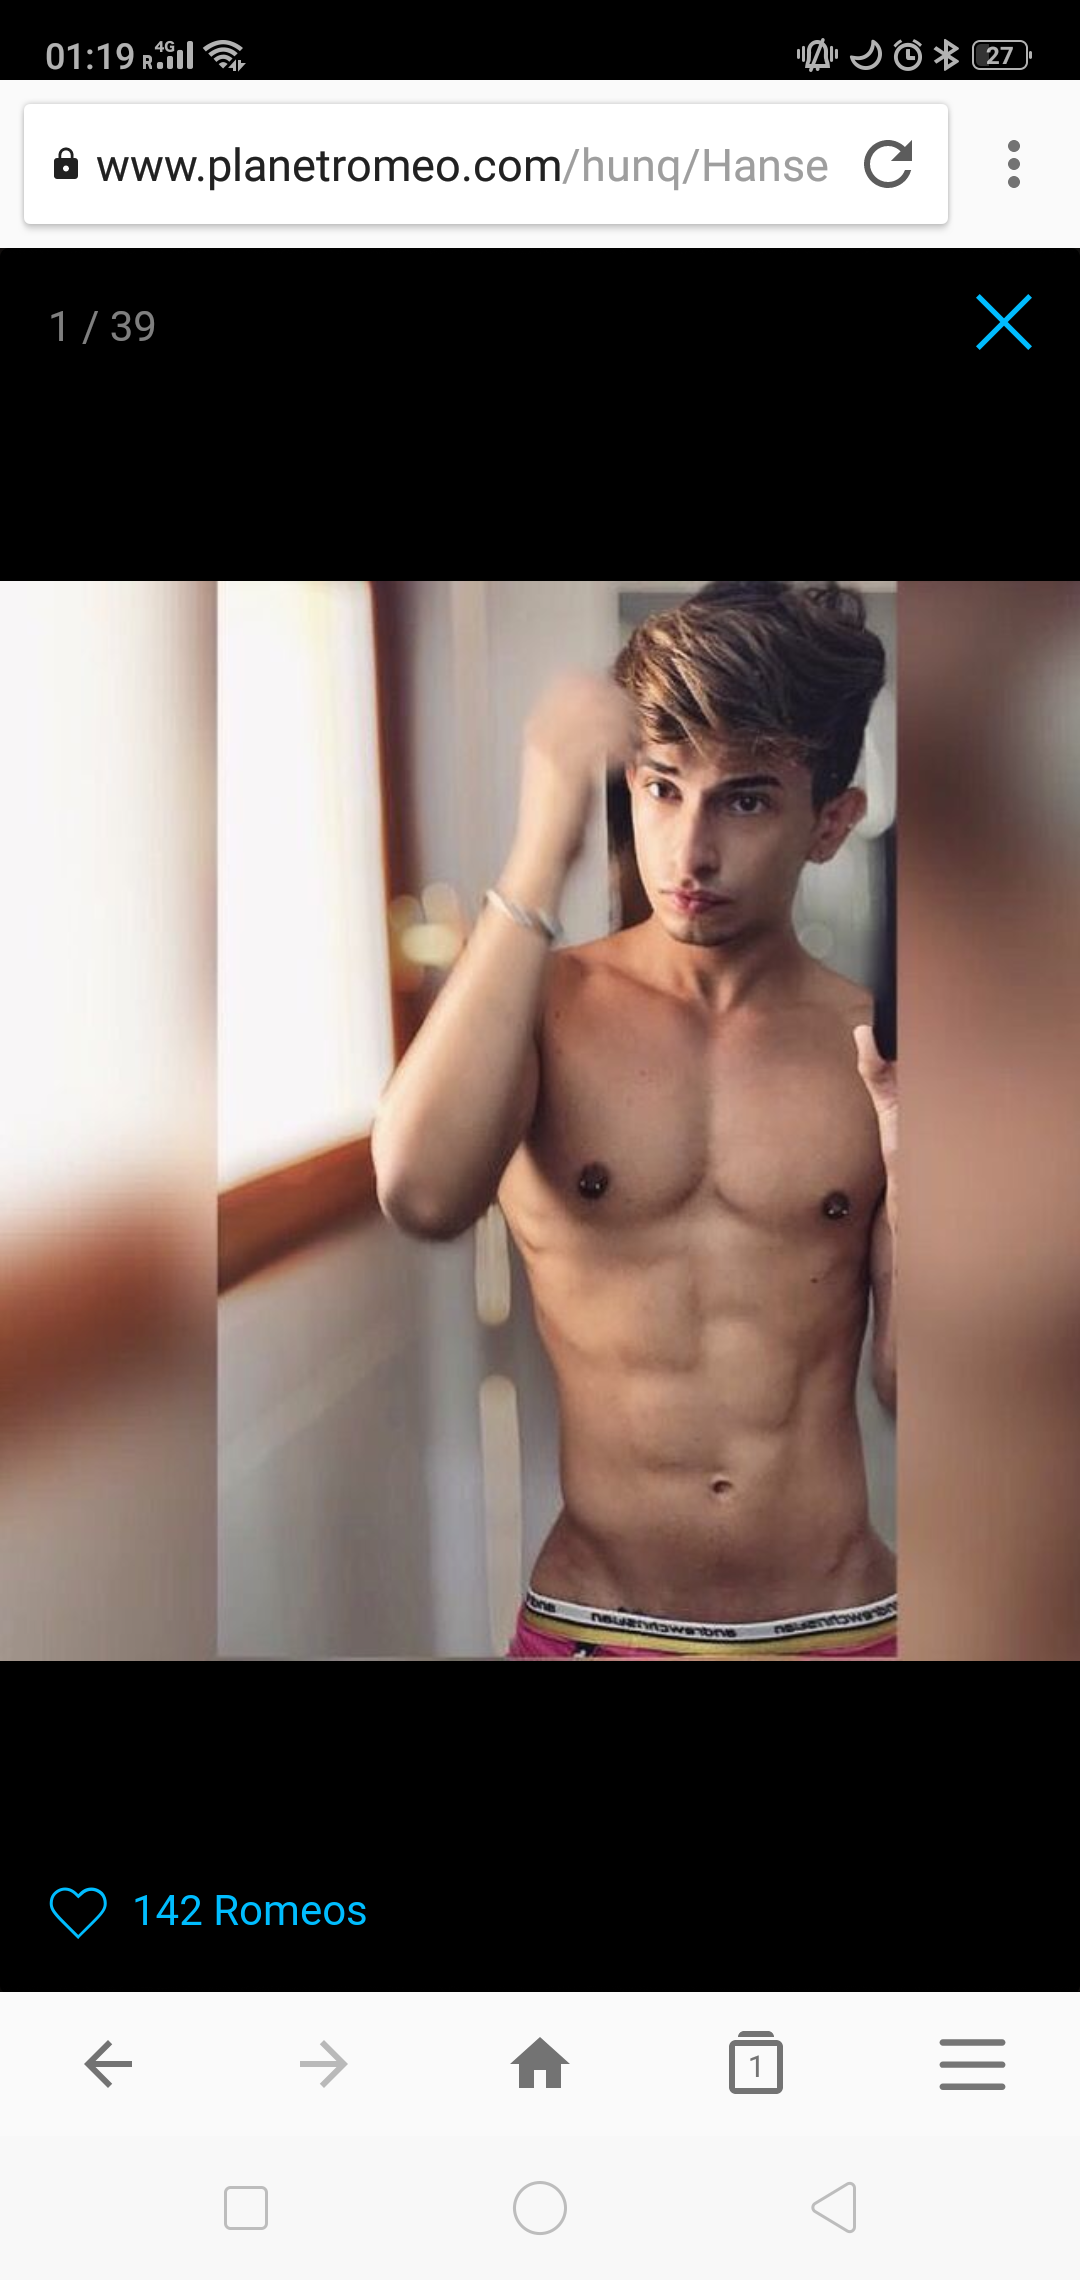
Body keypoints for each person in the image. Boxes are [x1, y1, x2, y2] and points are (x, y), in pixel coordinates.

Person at [373, 581, 897, 1660]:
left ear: (831, 823)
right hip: (594, 1624)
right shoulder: (540, 1007)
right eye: (662, 788)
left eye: (744, 800)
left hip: (842, 1627)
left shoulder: (885, 1051)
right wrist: (542, 849)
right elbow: (420, 1194)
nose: (689, 852)